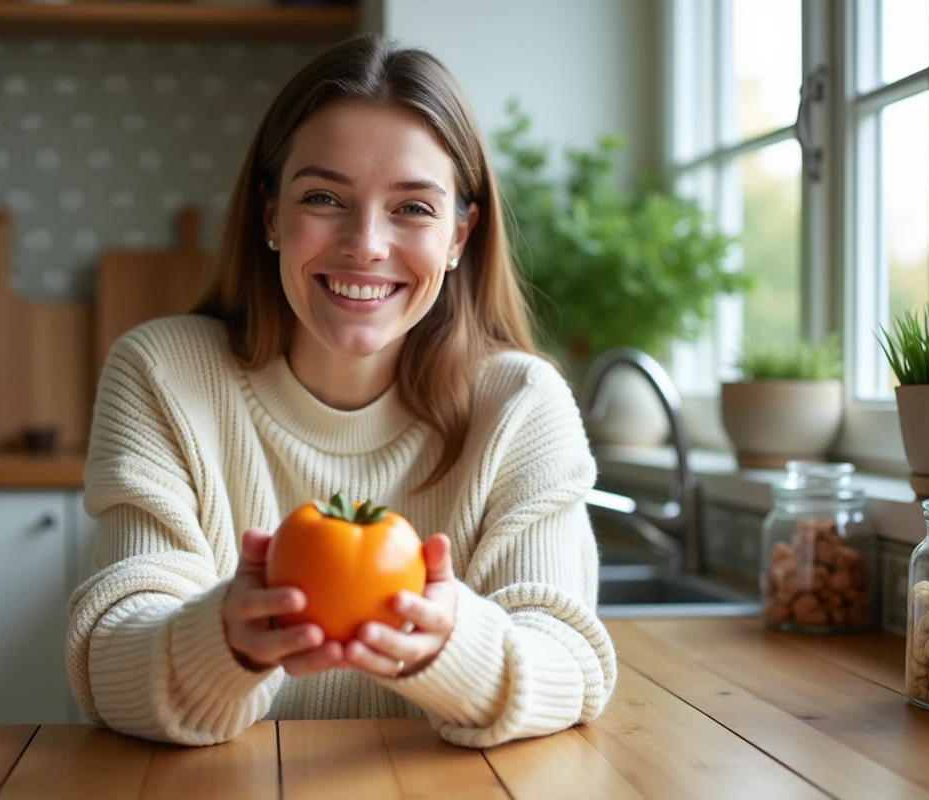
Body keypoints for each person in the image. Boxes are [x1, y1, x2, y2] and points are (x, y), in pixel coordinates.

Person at [66, 32, 616, 750]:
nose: (365, 244)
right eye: (324, 197)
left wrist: (451, 646)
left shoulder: (521, 405)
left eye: (413, 208)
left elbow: (570, 663)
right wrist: (227, 641)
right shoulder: (163, 375)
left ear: (460, 234)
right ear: (270, 215)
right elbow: (108, 655)